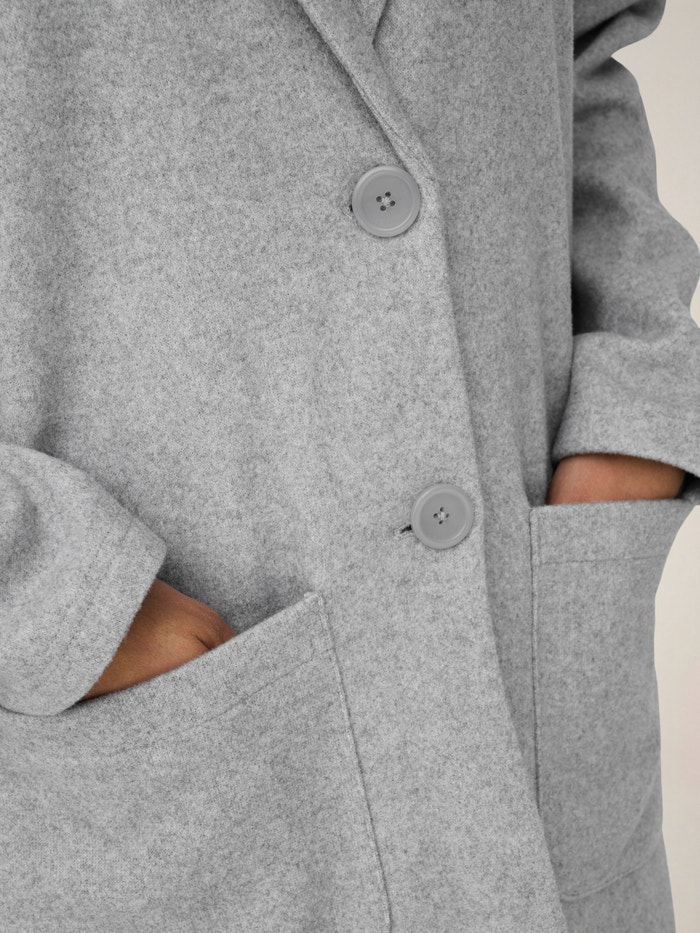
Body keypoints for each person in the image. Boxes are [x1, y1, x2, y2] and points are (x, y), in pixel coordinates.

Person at [1, 1, 698, 930]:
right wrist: (54, 596)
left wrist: (630, 413)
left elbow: (587, 40)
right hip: (151, 748)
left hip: (536, 697)